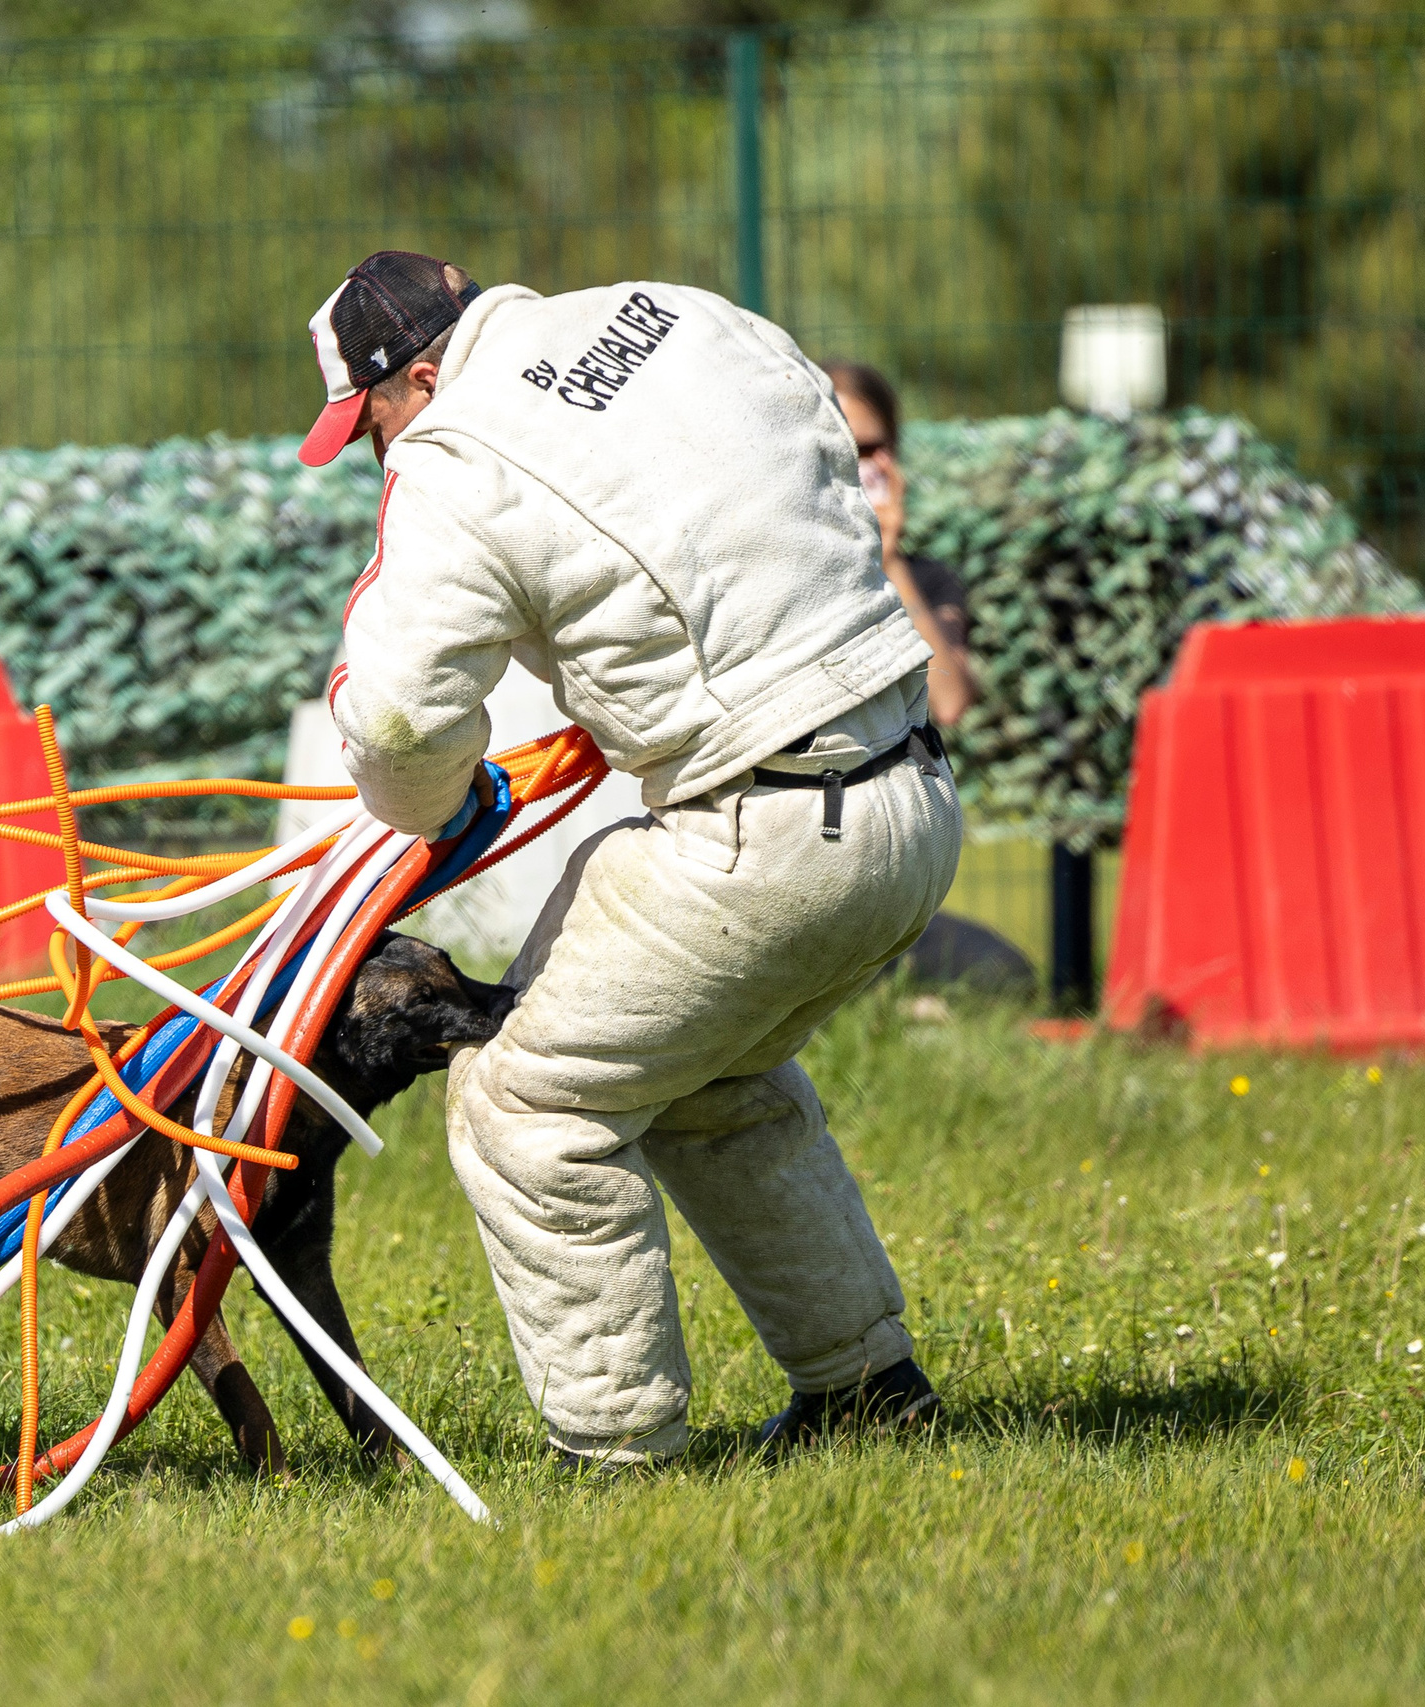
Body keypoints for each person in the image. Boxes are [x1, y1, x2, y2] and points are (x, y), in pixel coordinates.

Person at [297, 250, 962, 1465]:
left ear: (423, 377)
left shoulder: (456, 449)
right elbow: (814, 451)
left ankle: (619, 1455)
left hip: (762, 833)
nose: (376, 456)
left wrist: (428, 806)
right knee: (704, 1078)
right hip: (909, 791)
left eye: (370, 425)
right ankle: (868, 1394)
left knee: (524, 1103)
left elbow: (393, 718)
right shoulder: (673, 313)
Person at [823, 360, 979, 728]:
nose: (852, 465)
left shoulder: (928, 579)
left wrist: (888, 560)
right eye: (836, 447)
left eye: (866, 448)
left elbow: (949, 702)